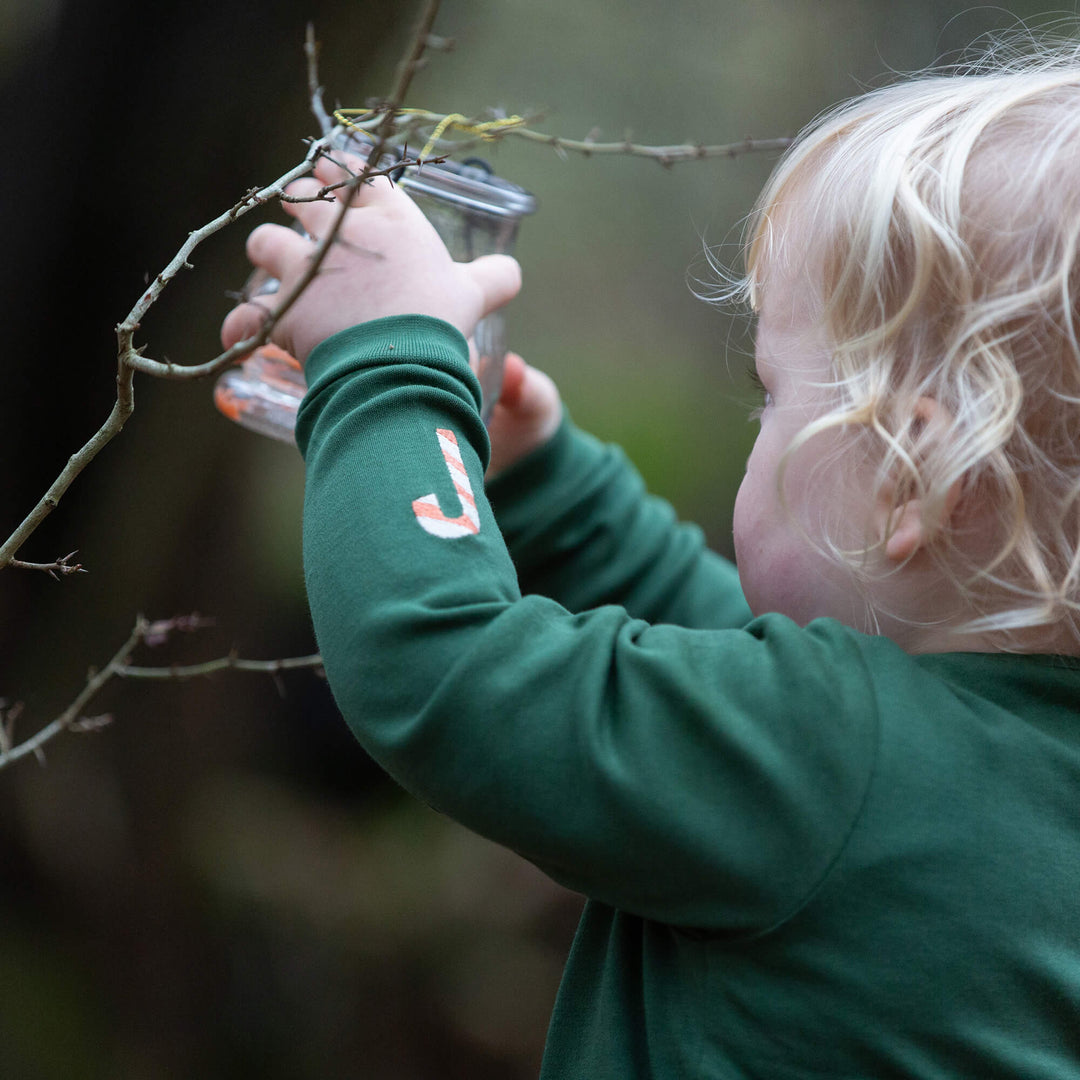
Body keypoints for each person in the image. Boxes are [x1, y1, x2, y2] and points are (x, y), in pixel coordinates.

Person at [221, 46, 1080, 1079]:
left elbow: (441, 670)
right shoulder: (995, 777)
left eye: (770, 389)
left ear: (910, 476)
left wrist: (386, 359)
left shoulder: (830, 764)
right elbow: (736, 665)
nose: (760, 414)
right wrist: (555, 495)